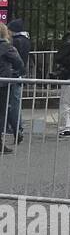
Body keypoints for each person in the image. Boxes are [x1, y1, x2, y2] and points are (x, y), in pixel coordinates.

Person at [0, 24, 24, 154]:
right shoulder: (7, 47)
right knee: (3, 112)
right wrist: (16, 73)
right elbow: (19, 63)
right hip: (3, 84)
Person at [5, 18, 29, 146]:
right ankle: (17, 128)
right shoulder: (25, 40)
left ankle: (15, 128)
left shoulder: (14, 43)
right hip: (17, 75)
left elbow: (16, 60)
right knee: (15, 103)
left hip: (11, 76)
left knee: (11, 104)